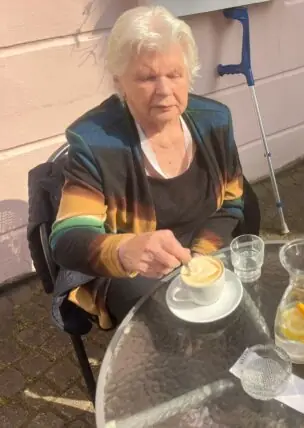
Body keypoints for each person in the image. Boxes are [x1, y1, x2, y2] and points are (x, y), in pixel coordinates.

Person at [50, 6, 245, 326]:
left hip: (201, 247)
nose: (165, 90)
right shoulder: (95, 140)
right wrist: (125, 249)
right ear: (120, 83)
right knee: (169, 321)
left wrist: (200, 258)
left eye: (174, 74)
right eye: (147, 77)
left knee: (239, 305)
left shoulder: (215, 121)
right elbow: (67, 239)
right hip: (131, 269)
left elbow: (232, 203)